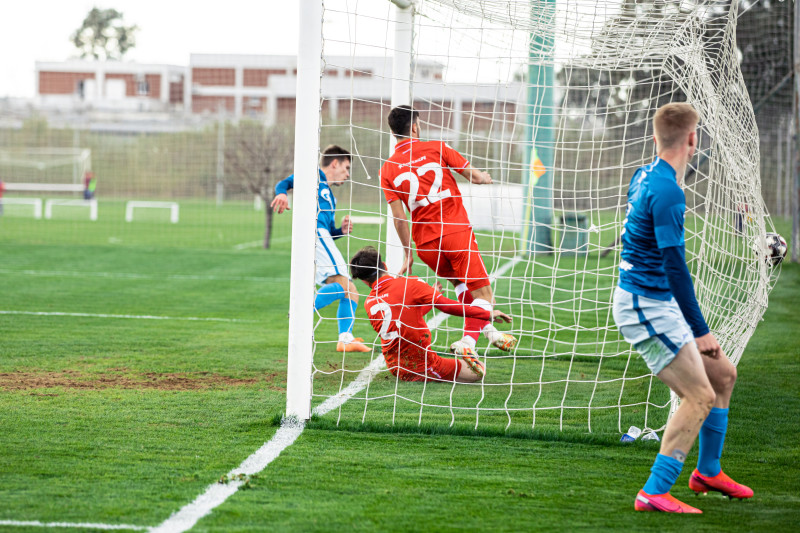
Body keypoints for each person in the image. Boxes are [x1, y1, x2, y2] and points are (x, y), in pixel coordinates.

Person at [612, 103, 752, 513]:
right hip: (644, 306)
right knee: (699, 395)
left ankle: (707, 471)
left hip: (656, 301)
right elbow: (675, 268)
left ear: (656, 138)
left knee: (723, 376)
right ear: (693, 139)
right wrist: (700, 329)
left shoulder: (645, 175)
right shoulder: (668, 191)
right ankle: (654, 491)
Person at [379, 105, 516, 359]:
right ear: (415, 127)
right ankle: (467, 342)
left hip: (426, 245)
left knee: (461, 285)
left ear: (392, 131)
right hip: (454, 232)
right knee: (485, 295)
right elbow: (475, 177)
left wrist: (408, 254)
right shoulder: (437, 147)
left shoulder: (387, 169)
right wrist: (485, 177)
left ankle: (490, 332)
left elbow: (399, 218)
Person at [350, 246, 512, 382]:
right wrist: (486, 313)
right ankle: (469, 343)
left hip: (395, 367)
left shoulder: (369, 303)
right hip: (424, 365)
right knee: (478, 372)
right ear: (384, 265)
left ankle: (484, 335)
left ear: (364, 281)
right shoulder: (410, 283)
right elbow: (447, 306)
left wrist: (429, 300)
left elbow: (407, 316)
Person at [272, 145, 368, 353]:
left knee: (350, 289)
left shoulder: (330, 197)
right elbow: (284, 183)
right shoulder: (313, 176)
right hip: (316, 235)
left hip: (322, 237)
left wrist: (340, 231)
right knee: (345, 285)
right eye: (346, 167)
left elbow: (330, 231)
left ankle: (345, 339)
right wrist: (282, 194)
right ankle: (302, 309)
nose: (348, 174)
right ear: (334, 163)